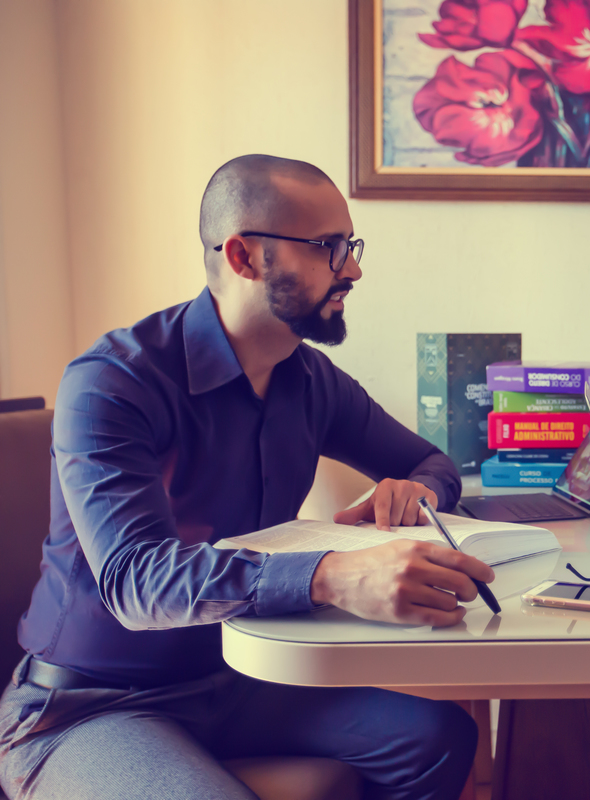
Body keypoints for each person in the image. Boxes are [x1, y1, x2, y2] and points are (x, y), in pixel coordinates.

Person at [0, 155, 495, 800]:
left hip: (236, 680)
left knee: (439, 738)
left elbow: (432, 462)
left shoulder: (311, 380)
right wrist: (332, 576)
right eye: (328, 247)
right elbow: (135, 581)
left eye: (351, 247)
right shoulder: (113, 381)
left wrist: (419, 491)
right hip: (87, 706)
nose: (352, 269)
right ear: (243, 257)